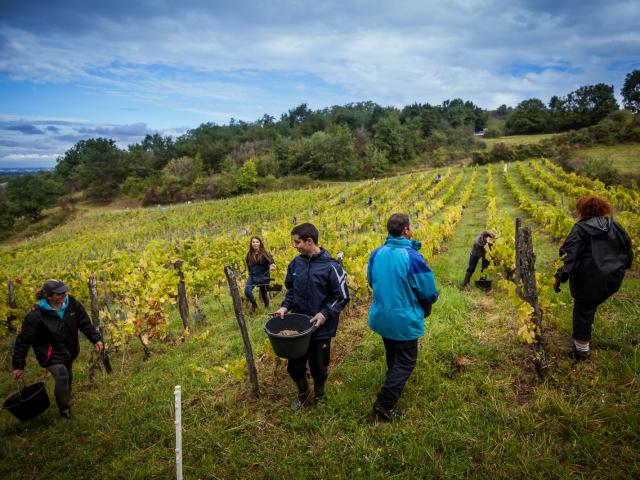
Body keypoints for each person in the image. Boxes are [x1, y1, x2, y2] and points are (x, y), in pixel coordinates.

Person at [367, 213, 438, 421]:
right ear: (406, 230)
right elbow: (428, 292)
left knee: (392, 352)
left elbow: (371, 280)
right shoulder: (413, 257)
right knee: (406, 361)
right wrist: (427, 303)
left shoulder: (376, 253)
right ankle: (384, 404)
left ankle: (392, 381)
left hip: (381, 315)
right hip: (403, 319)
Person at [273, 223, 349, 409]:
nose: (295, 246)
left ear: (309, 241)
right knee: (294, 367)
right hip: (298, 327)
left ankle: (319, 396)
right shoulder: (295, 264)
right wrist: (284, 307)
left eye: (297, 242)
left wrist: (324, 314)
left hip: (321, 328)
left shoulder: (331, 267)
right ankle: (303, 394)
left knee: (319, 366)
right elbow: (291, 291)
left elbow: (342, 297)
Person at [554, 196, 633, 361]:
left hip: (588, 279)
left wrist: (559, 276)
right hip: (612, 279)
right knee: (590, 307)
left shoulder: (580, 228)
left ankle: (581, 352)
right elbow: (628, 250)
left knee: (583, 310)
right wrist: (622, 268)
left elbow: (569, 255)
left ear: (582, 210)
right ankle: (583, 339)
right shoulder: (616, 226)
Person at [11, 279, 104, 420]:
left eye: (64, 291)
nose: (63, 295)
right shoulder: (36, 315)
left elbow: (84, 323)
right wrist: (18, 365)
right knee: (62, 376)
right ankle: (64, 411)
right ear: (48, 296)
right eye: (59, 293)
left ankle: (66, 396)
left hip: (69, 349)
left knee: (68, 375)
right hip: (50, 354)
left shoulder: (72, 304)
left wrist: (96, 339)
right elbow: (23, 340)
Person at [244, 236, 275, 312]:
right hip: (253, 275)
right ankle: (254, 304)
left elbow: (272, 263)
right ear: (251, 244)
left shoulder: (265, 253)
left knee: (263, 293)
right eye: (253, 242)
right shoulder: (249, 255)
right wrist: (250, 274)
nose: (255, 244)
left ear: (260, 243)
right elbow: (248, 266)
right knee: (247, 291)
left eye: (257, 242)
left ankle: (267, 308)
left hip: (263, 276)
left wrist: (272, 266)